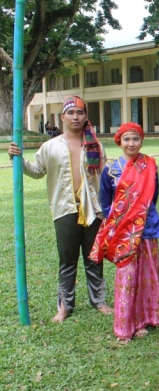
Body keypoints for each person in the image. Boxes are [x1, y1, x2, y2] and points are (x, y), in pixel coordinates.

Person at [8, 96, 112, 323]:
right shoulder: (50, 146)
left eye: (80, 113)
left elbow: (105, 177)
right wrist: (18, 159)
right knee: (67, 259)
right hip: (64, 209)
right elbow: (37, 170)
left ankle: (99, 301)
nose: (76, 117)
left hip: (93, 209)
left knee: (94, 257)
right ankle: (65, 306)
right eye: (71, 113)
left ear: (86, 117)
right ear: (62, 117)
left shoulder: (95, 145)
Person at [90, 123, 159, 343]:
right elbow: (106, 202)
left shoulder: (149, 166)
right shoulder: (111, 169)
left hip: (146, 229)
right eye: (127, 139)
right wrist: (120, 223)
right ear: (119, 141)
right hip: (123, 233)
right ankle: (125, 324)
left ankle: (144, 319)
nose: (131, 143)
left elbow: (152, 198)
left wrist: (139, 218)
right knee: (127, 276)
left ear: (141, 141)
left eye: (135, 139)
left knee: (147, 274)